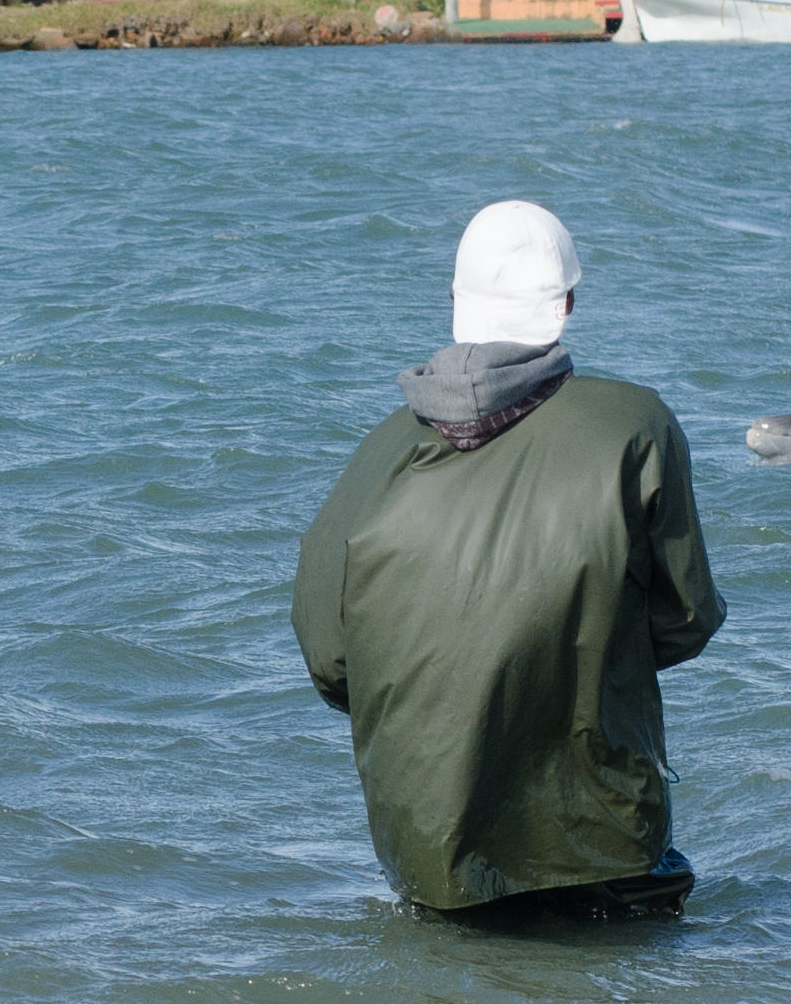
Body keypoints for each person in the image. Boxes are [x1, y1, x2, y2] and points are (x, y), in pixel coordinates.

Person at [292, 200, 725, 916]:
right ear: (567, 305)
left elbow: (330, 659)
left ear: (456, 302)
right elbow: (686, 619)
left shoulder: (378, 453)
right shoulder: (635, 426)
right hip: (602, 845)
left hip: (425, 855)